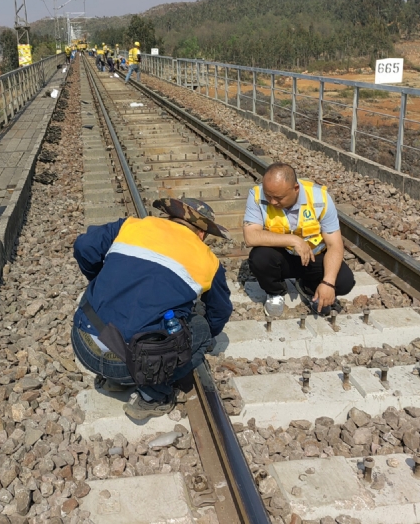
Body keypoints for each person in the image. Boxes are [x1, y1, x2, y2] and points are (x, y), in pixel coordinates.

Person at [71, 197, 233, 420]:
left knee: (102, 296)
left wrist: (97, 278)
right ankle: (152, 396)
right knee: (202, 330)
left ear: (169, 216)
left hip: (83, 346)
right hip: (131, 367)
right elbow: (220, 313)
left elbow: (84, 246)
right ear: (202, 234)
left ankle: (113, 379)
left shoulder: (132, 225)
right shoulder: (208, 260)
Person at [243, 162, 354, 317]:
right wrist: (294, 240)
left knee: (344, 282)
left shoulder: (319, 198)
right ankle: (275, 292)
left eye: (279, 197)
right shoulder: (257, 195)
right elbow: (250, 237)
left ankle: (309, 287)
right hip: (281, 257)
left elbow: (334, 244)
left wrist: (327, 283)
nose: (272, 202)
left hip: (313, 257)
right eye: (268, 196)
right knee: (260, 258)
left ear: (296, 189)